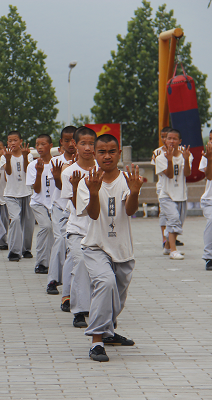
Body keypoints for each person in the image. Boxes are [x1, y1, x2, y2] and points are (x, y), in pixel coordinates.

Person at [76, 133, 143, 362]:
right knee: (105, 283)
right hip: (96, 246)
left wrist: (134, 191)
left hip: (122, 248)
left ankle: (108, 331)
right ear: (94, 154)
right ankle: (96, 342)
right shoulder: (88, 181)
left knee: (117, 297)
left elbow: (131, 210)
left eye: (112, 151)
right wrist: (94, 192)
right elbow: (93, 214)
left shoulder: (127, 179)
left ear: (119, 153)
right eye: (102, 151)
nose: (107, 156)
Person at [58, 127, 96, 328]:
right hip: (77, 229)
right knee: (80, 264)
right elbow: (76, 208)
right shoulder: (69, 173)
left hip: (98, 230)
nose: (88, 148)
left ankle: (100, 309)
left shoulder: (102, 169)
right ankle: (79, 311)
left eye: (91, 144)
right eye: (83, 143)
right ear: (75, 145)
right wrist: (75, 188)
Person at [46, 126, 77, 294]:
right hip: (60, 207)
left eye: (74, 140)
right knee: (60, 240)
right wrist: (58, 176)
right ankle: (53, 279)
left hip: (78, 210)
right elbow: (60, 187)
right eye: (67, 140)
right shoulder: (55, 161)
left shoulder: (87, 161)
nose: (71, 144)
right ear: (61, 142)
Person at [155, 128, 192, 260]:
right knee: (174, 219)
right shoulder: (159, 158)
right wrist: (169, 160)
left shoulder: (186, 154)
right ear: (164, 140)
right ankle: (173, 250)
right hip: (166, 196)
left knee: (178, 223)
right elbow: (170, 175)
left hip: (181, 195)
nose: (171, 141)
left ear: (179, 141)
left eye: (174, 139)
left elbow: (187, 173)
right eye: (169, 138)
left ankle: (167, 247)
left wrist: (186, 159)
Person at [2, 131, 34, 261]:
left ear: (21, 141)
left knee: (28, 223)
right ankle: (15, 251)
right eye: (9, 140)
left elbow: (28, 171)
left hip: (26, 193)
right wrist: (8, 159)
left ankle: (26, 249)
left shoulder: (29, 155)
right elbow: (8, 173)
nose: (12, 143)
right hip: (11, 194)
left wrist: (26, 157)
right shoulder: (5, 156)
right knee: (15, 220)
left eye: (15, 140)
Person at [26, 134, 54, 274]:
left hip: (54, 205)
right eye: (37, 144)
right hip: (38, 203)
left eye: (43, 144)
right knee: (46, 227)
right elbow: (36, 190)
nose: (40, 147)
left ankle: (54, 263)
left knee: (57, 233)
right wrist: (39, 173)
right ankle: (41, 263)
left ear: (51, 145)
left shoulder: (57, 163)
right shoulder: (32, 166)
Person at [152, 127, 185, 247]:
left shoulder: (183, 152)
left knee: (177, 218)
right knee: (166, 214)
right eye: (166, 137)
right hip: (164, 188)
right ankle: (166, 241)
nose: (170, 140)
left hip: (178, 190)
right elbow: (165, 174)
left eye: (173, 138)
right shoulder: (158, 153)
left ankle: (169, 242)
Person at [200, 130, 212, 270]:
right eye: (210, 139)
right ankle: (209, 257)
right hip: (210, 200)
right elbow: (209, 176)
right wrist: (210, 159)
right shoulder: (206, 156)